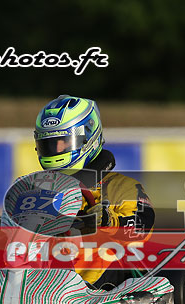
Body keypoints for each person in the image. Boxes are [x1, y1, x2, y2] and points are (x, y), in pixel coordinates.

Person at [33, 95, 154, 286]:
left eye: (64, 141)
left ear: (88, 137)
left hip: (98, 281)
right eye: (49, 144)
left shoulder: (120, 187)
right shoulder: (38, 190)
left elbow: (142, 226)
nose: (57, 149)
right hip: (45, 275)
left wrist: (109, 220)